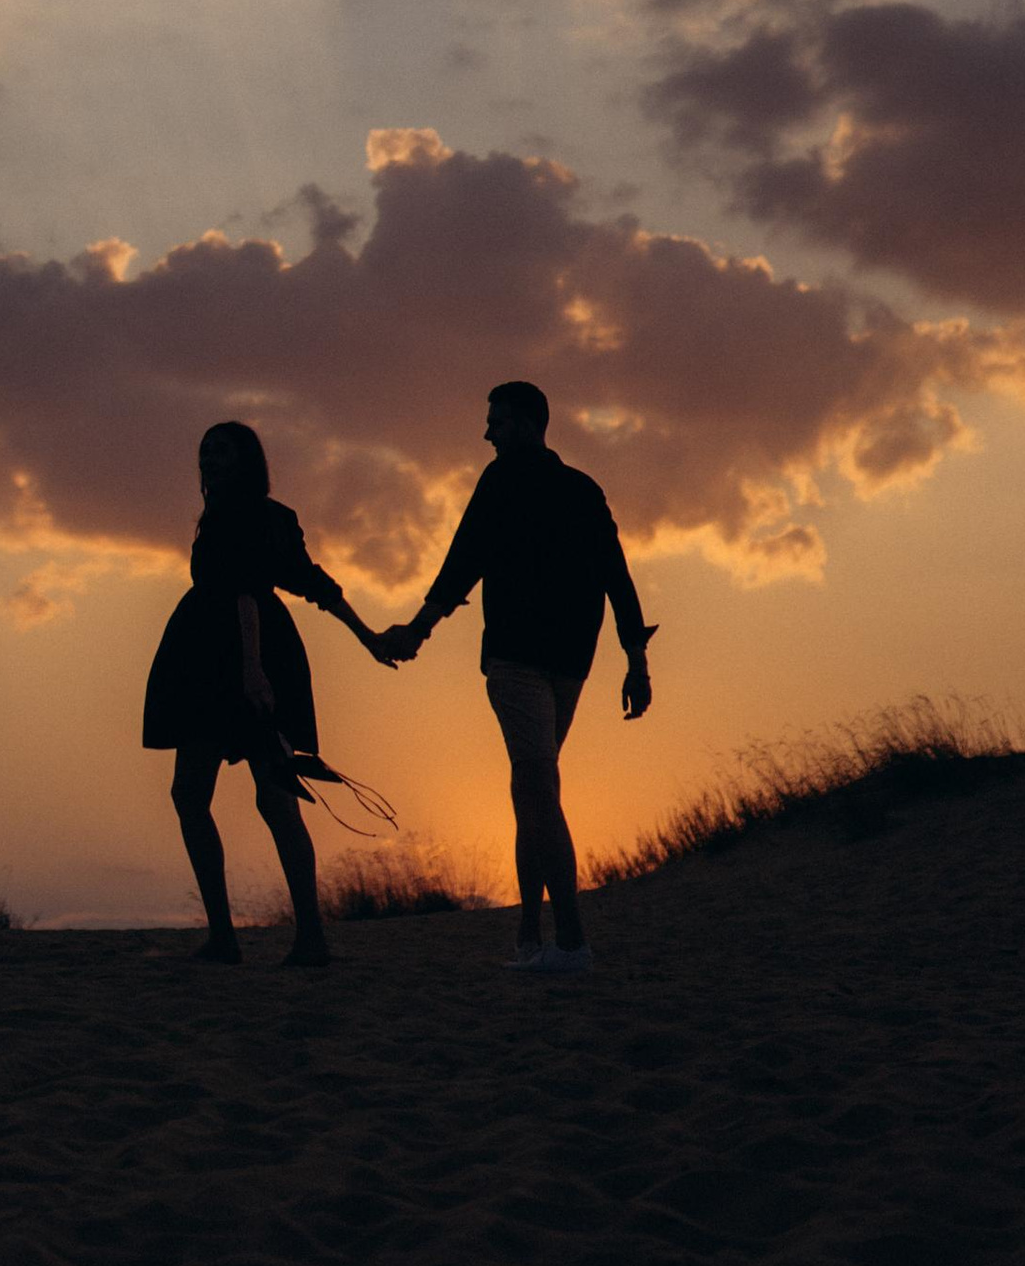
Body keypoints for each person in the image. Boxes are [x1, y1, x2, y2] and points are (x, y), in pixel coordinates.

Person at [383, 382, 654, 975]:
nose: (487, 434)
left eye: (496, 422)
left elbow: (462, 564)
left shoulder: (506, 482)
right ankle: (530, 937)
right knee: (533, 791)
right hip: (566, 663)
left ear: (530, 423)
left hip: (523, 660)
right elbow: (618, 578)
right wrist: (635, 658)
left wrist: (418, 630)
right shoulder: (582, 490)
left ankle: (573, 942)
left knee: (535, 793)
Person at [141, 418, 395, 970]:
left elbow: (247, 590)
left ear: (245, 460)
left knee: (223, 795)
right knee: (253, 795)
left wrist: (252, 668)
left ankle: (255, 938)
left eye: (221, 452)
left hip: (225, 654)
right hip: (241, 651)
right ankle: (293, 938)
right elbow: (314, 585)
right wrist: (367, 636)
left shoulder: (236, 515)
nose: (209, 459)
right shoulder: (272, 516)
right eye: (204, 451)